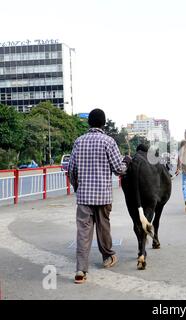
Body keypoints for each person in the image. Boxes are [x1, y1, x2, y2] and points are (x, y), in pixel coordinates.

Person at [68, 108, 131, 284]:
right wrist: (126, 163)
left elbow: (71, 169)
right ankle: (108, 257)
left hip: (84, 197)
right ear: (103, 123)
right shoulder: (108, 142)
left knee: (83, 232)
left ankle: (81, 270)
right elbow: (119, 169)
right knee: (103, 228)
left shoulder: (78, 142)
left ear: (89, 123)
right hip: (103, 196)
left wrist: (77, 186)